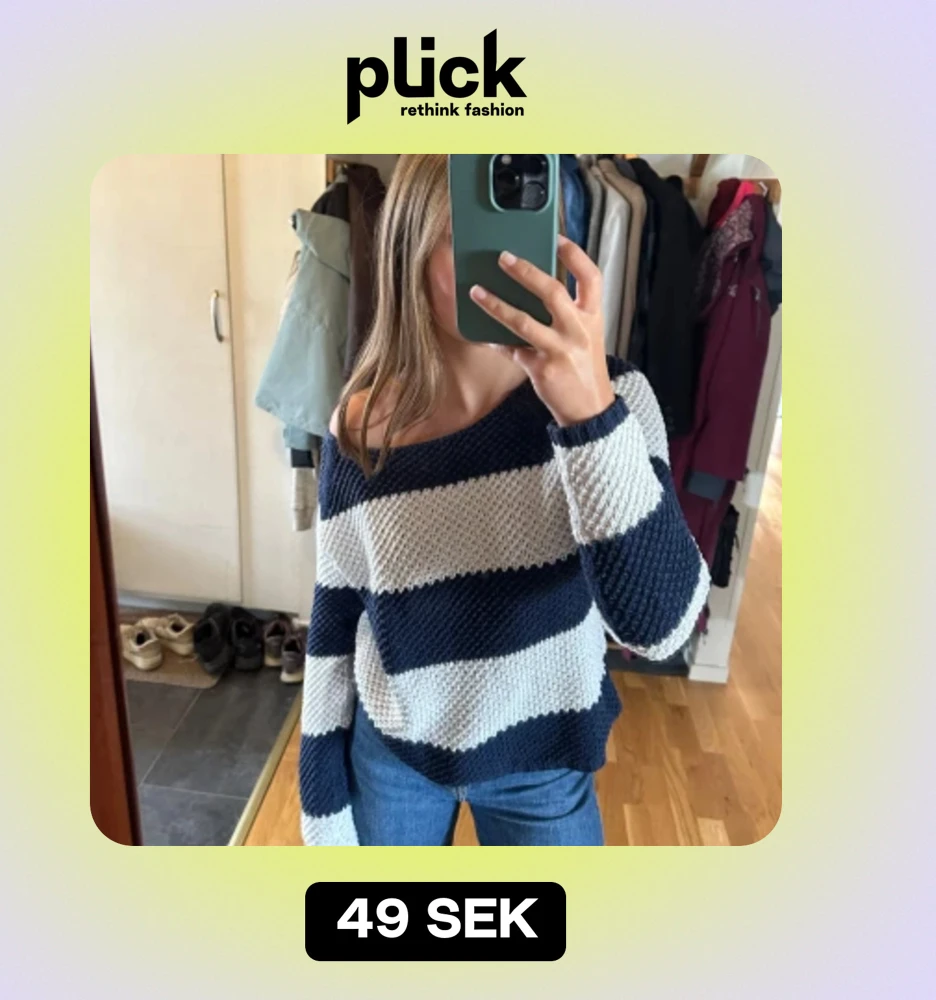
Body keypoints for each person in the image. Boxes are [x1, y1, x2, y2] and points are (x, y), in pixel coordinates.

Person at [298, 155, 709, 846]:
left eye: (524, 232)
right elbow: (335, 616)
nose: (506, 262)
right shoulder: (362, 427)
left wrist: (588, 419)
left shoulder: (614, 404)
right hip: (393, 759)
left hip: (542, 764)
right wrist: (321, 805)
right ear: (409, 249)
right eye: (468, 235)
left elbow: (659, 628)